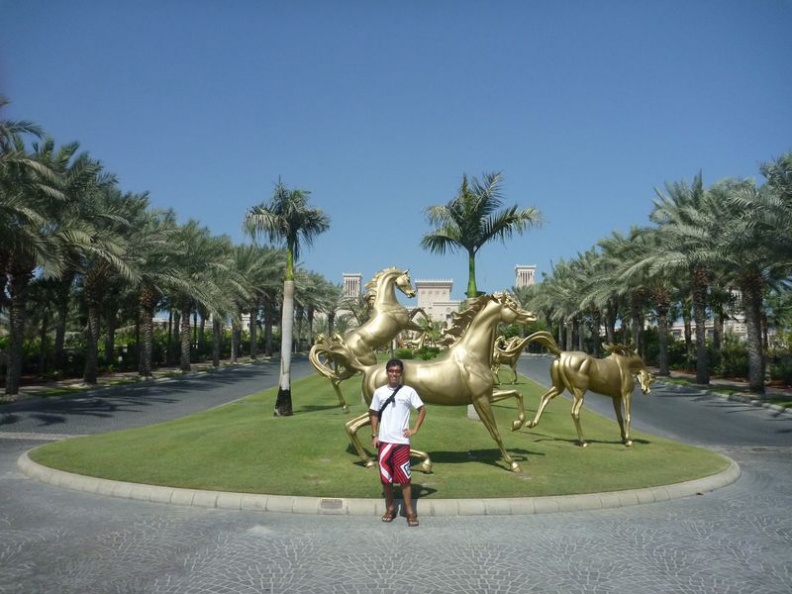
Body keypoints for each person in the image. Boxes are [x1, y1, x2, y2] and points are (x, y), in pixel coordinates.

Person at [369, 358, 426, 527]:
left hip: (401, 443)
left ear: (401, 374)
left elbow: (422, 409)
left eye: (397, 371)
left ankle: (409, 512)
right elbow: (373, 413)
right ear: (387, 372)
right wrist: (374, 434)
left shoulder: (408, 391)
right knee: (386, 479)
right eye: (391, 371)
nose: (394, 374)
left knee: (405, 479)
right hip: (384, 443)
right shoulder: (379, 392)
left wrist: (414, 429)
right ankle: (390, 509)